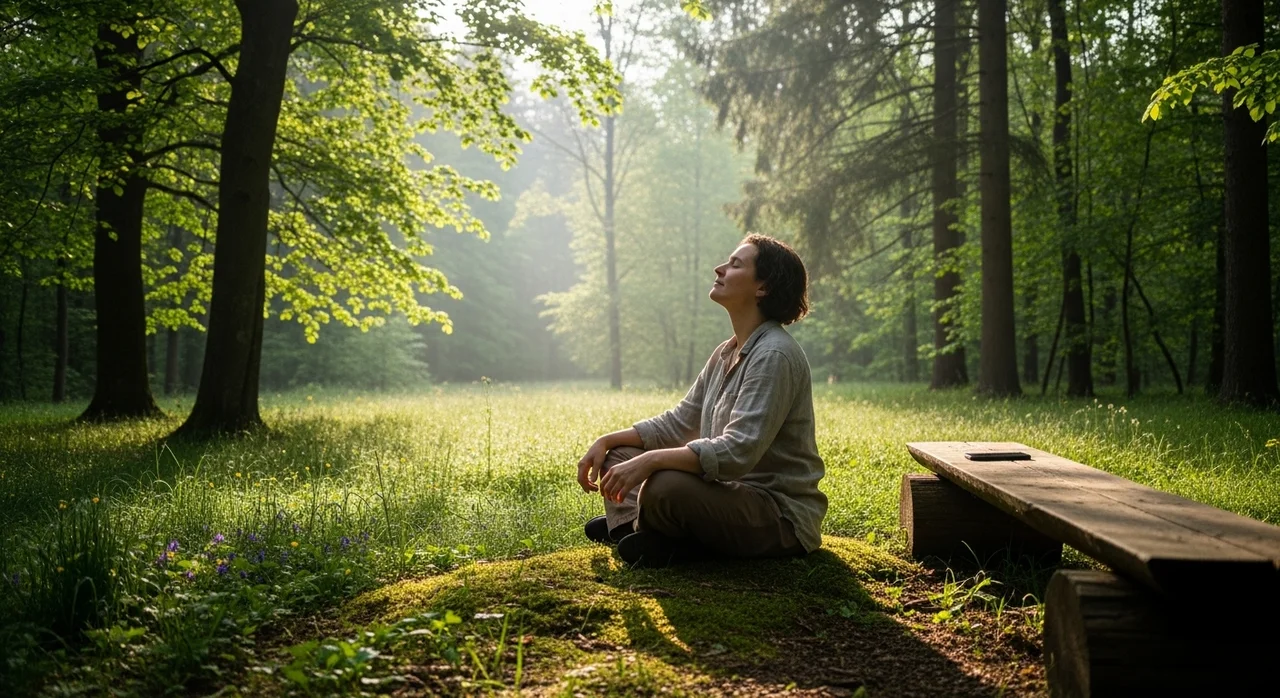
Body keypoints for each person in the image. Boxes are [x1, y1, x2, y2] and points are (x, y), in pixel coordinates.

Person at [575, 234, 828, 567]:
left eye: (735, 264)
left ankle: (648, 532)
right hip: (725, 497)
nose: (719, 268)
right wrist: (607, 441)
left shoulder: (774, 354)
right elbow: (680, 423)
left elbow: (737, 451)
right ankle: (638, 530)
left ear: (762, 287)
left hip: (777, 515)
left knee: (664, 484)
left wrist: (651, 461)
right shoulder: (726, 351)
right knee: (620, 456)